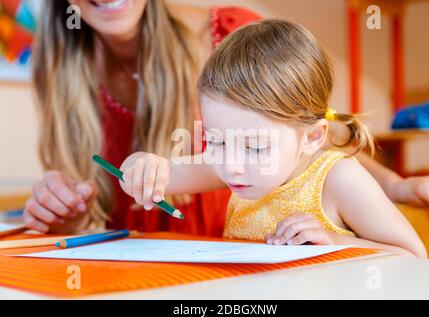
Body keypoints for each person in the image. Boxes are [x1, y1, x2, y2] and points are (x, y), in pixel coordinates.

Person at [119, 19, 427, 257]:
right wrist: (141, 166)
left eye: (254, 146)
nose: (231, 166)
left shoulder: (338, 179)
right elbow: (161, 174)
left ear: (312, 137)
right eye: (215, 141)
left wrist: (337, 242)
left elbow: (413, 255)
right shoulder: (231, 167)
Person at [23, 0, 260, 235]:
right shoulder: (59, 66)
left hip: (248, 269)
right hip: (130, 271)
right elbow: (94, 213)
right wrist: (69, 217)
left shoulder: (243, 37)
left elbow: (292, 172)